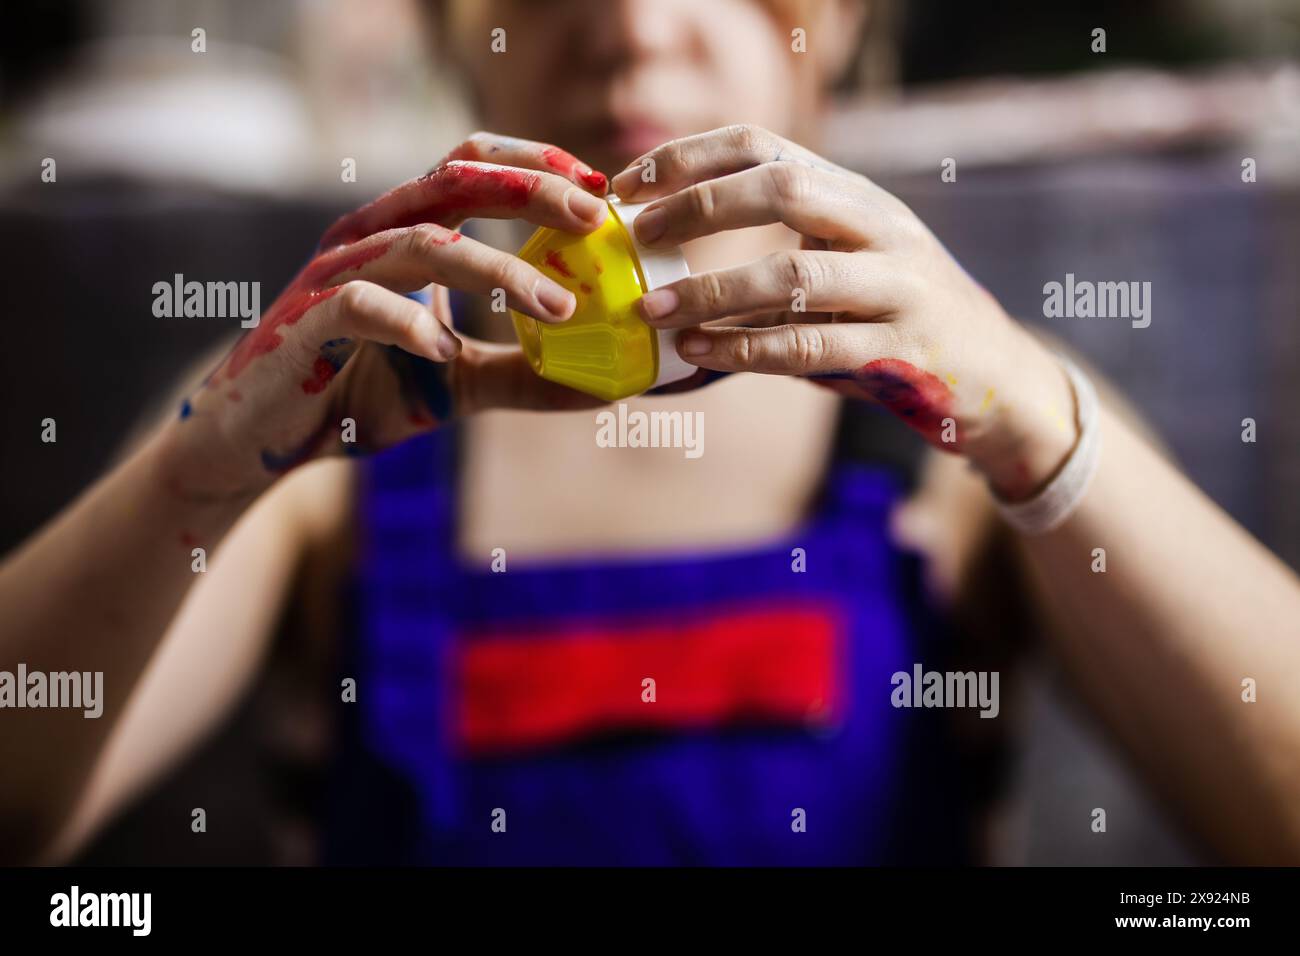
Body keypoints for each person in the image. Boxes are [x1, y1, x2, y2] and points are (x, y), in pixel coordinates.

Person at [2, 0, 1298, 865]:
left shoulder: (993, 416)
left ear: (831, 21)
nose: (628, 32)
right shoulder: (318, 416)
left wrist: (1040, 433)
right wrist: (198, 476)